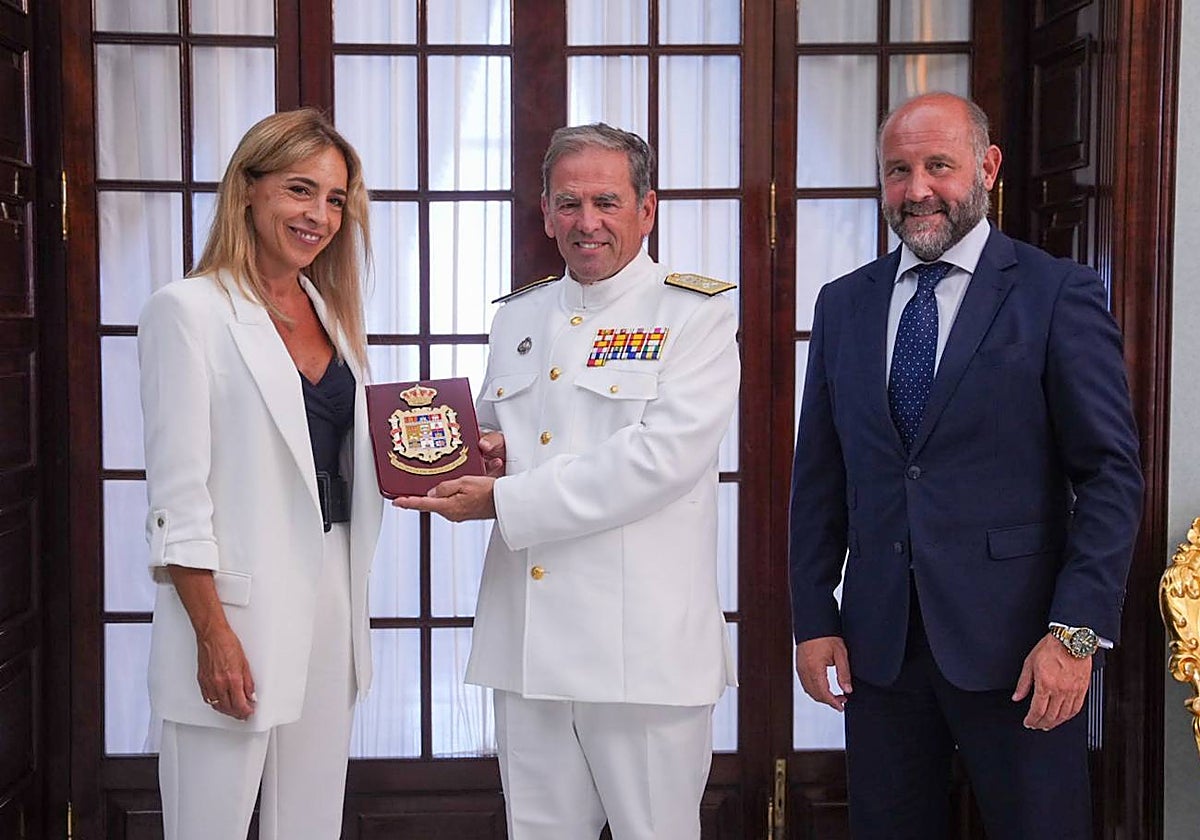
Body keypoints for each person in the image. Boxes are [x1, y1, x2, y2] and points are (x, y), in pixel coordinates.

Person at [788, 92, 1143, 840]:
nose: (917, 189)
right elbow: (819, 476)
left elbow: (1110, 477)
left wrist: (1075, 636)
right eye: (898, 170)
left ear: (987, 168)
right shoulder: (843, 305)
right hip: (880, 655)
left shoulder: (1057, 294)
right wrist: (814, 618)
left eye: (938, 166)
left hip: (1025, 653)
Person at [394, 123, 739, 840]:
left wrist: (504, 497)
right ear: (546, 213)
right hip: (528, 645)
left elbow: (659, 459)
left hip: (640, 653)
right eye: (569, 203)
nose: (588, 222)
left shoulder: (694, 313)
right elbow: (501, 432)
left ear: (647, 208)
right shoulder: (519, 316)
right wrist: (484, 455)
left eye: (607, 202)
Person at [138, 108, 384, 840]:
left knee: (309, 822)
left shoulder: (329, 312)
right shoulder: (187, 311)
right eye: (299, 190)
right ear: (248, 189)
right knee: (208, 824)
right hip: (233, 608)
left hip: (332, 593)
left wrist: (450, 455)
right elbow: (178, 497)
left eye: (334, 199)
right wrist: (212, 634)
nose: (319, 216)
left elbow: (343, 454)